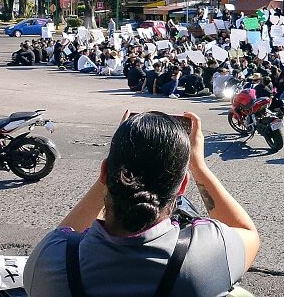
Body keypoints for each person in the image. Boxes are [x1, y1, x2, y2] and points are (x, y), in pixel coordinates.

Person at [24, 111, 260, 296]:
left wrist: (111, 170)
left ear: (105, 173)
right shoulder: (206, 254)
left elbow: (65, 234)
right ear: (182, 185)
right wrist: (199, 167)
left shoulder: (51, 260)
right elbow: (248, 233)